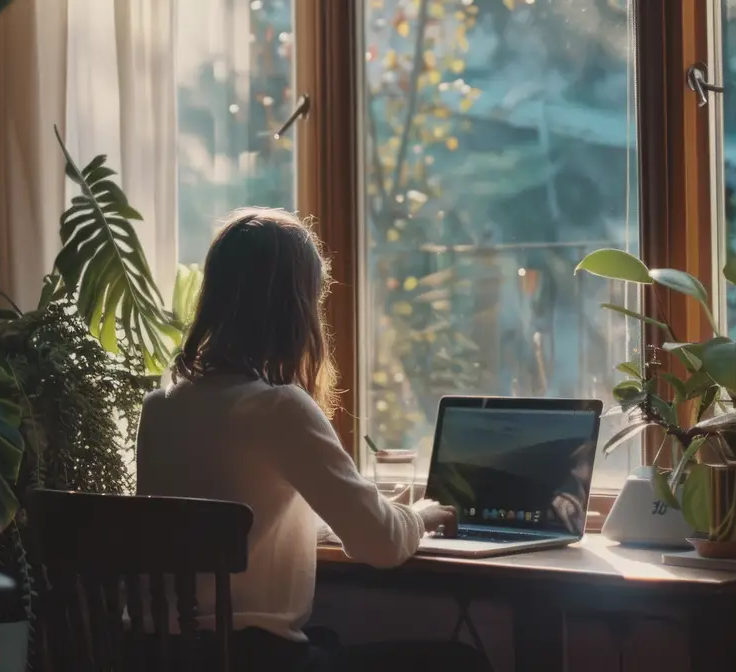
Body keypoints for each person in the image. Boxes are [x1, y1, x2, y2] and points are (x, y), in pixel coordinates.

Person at [136, 208, 494, 672]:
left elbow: (237, 509)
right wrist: (423, 514)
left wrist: (333, 518)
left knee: (328, 638)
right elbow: (382, 544)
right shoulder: (277, 407)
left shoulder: (159, 408)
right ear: (297, 308)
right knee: (456, 663)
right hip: (251, 659)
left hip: (157, 657)